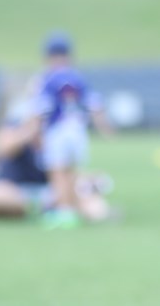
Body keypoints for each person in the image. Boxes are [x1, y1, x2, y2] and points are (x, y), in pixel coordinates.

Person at [0, 101, 115, 224]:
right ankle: (40, 209)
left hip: (48, 191)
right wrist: (28, 131)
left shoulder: (58, 137)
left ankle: (61, 210)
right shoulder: (17, 128)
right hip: (15, 189)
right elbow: (3, 148)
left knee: (88, 197)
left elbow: (67, 173)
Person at [24, 33, 115, 228]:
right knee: (72, 172)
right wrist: (105, 129)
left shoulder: (47, 79)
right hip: (77, 130)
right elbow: (94, 106)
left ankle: (64, 213)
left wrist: (35, 132)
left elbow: (41, 109)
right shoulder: (78, 78)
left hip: (57, 131)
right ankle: (75, 209)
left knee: (57, 172)